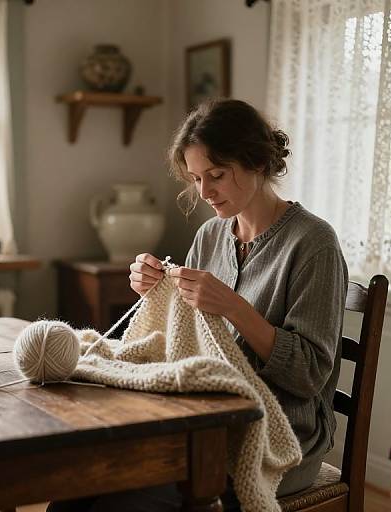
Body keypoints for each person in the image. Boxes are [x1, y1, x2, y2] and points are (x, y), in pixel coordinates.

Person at [48, 98, 348, 511]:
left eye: (217, 176)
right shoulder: (210, 236)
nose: (205, 192)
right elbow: (183, 338)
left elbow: (311, 375)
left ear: (257, 162)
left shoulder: (313, 243)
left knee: (124, 502)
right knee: (76, 489)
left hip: (280, 438)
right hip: (207, 422)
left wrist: (234, 307)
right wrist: (152, 293)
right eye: (195, 178)